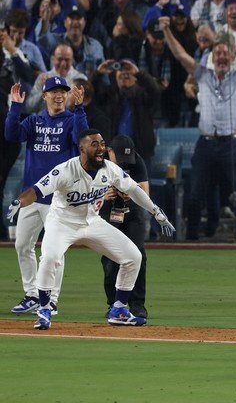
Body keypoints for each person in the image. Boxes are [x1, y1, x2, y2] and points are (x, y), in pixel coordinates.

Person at [6, 129, 175, 330]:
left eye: (102, 143)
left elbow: (133, 189)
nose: (100, 148)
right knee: (50, 258)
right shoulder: (66, 170)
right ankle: (44, 309)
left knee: (133, 256)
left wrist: (155, 211)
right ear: (82, 148)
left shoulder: (110, 169)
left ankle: (119, 309)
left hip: (92, 222)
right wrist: (19, 201)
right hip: (62, 223)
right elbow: (36, 190)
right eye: (94, 144)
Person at [162, 18, 236, 241]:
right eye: (218, 53)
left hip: (234, 143)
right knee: (195, 194)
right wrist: (166, 29)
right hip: (206, 143)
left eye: (225, 53)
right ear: (212, 57)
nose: (221, 57)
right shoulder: (203, 74)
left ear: (233, 57)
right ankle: (191, 238)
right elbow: (180, 55)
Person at [4, 76, 87, 315]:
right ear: (45, 96)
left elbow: (83, 140)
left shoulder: (72, 120)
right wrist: (15, 107)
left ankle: (50, 299)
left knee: (54, 251)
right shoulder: (33, 121)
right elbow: (11, 135)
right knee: (22, 245)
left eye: (63, 91)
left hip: (59, 198)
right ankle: (32, 294)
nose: (59, 95)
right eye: (54, 91)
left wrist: (80, 109)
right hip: (32, 194)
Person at [100, 135, 150, 319]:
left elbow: (145, 192)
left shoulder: (137, 161)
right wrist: (104, 194)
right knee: (110, 258)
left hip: (133, 214)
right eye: (119, 159)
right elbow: (86, 191)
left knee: (138, 255)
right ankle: (114, 303)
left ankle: (137, 304)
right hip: (107, 213)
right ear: (109, 152)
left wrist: (132, 193)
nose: (123, 163)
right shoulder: (98, 162)